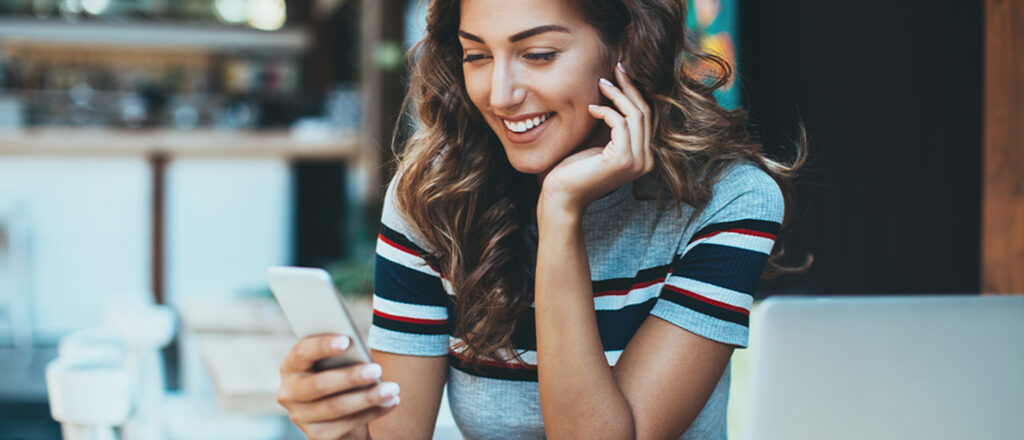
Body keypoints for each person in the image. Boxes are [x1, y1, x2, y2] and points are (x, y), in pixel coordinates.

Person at [276, 0, 806, 438]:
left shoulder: (728, 200)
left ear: (626, 45)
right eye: (476, 55)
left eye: (538, 54)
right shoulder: (434, 195)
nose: (500, 94)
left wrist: (559, 215)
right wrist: (338, 422)